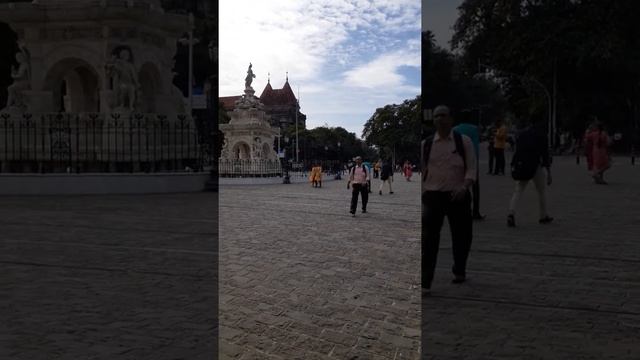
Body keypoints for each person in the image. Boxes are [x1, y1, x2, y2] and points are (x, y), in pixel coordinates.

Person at [422, 105, 476, 295]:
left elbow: (471, 168)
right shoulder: (427, 144)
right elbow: (423, 169)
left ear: (451, 119)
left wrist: (465, 186)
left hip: (458, 195)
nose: (440, 119)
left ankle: (459, 269)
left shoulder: (464, 142)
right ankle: (425, 281)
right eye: (436, 116)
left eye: (444, 115)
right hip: (433, 196)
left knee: (462, 236)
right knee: (428, 240)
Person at [507, 116, 553, 227]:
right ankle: (543, 215)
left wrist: (514, 164)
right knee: (541, 191)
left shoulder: (522, 134)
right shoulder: (541, 135)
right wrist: (549, 172)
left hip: (522, 165)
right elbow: (545, 154)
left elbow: (517, 151)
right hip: (535, 165)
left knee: (518, 190)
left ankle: (511, 213)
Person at [454, 118, 485, 220]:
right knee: (475, 188)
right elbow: (477, 142)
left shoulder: (455, 129)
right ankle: (475, 212)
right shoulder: (475, 128)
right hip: (472, 160)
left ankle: (456, 211)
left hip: (458, 161)